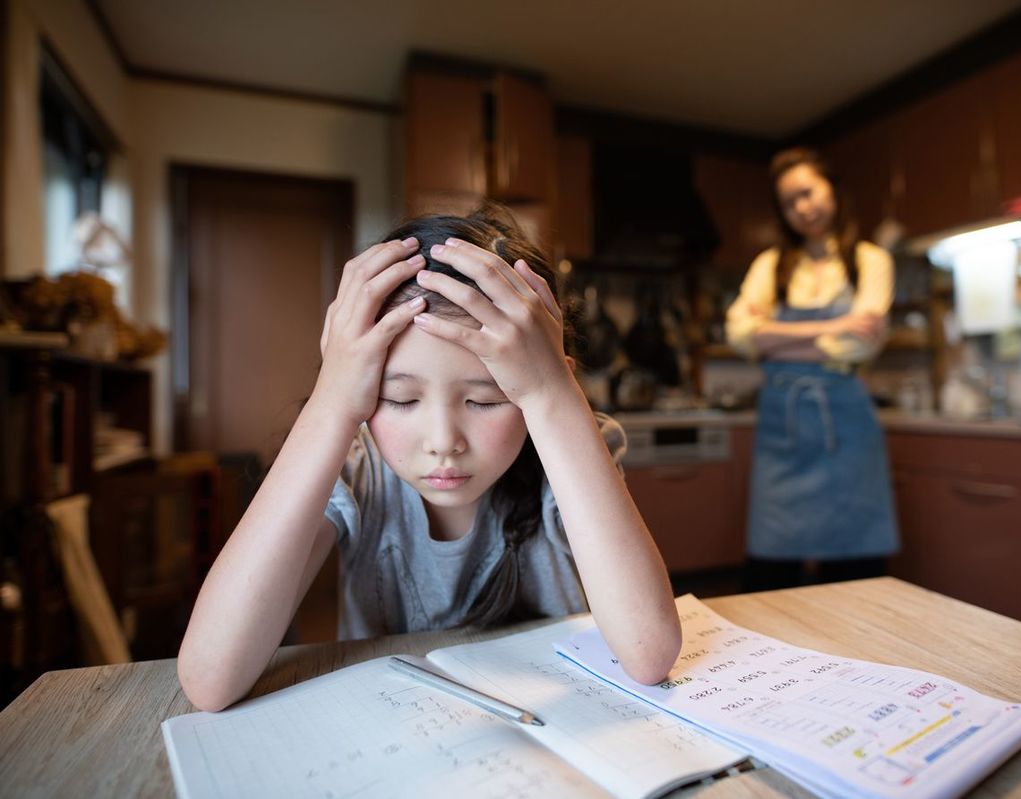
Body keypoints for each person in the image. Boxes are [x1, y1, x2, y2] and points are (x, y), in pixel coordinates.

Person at [178, 205, 681, 712]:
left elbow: (649, 653)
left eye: (485, 400)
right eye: (400, 399)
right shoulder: (358, 467)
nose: (444, 441)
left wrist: (555, 398)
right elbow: (210, 679)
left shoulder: (573, 445)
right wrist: (330, 405)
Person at [725, 147, 899, 591]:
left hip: (848, 431)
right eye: (789, 202)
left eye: (808, 193)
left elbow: (861, 344)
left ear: (832, 189)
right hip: (782, 432)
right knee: (770, 572)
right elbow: (740, 335)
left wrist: (776, 339)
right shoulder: (770, 265)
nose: (802, 208)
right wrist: (837, 325)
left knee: (857, 575)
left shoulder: (871, 261)